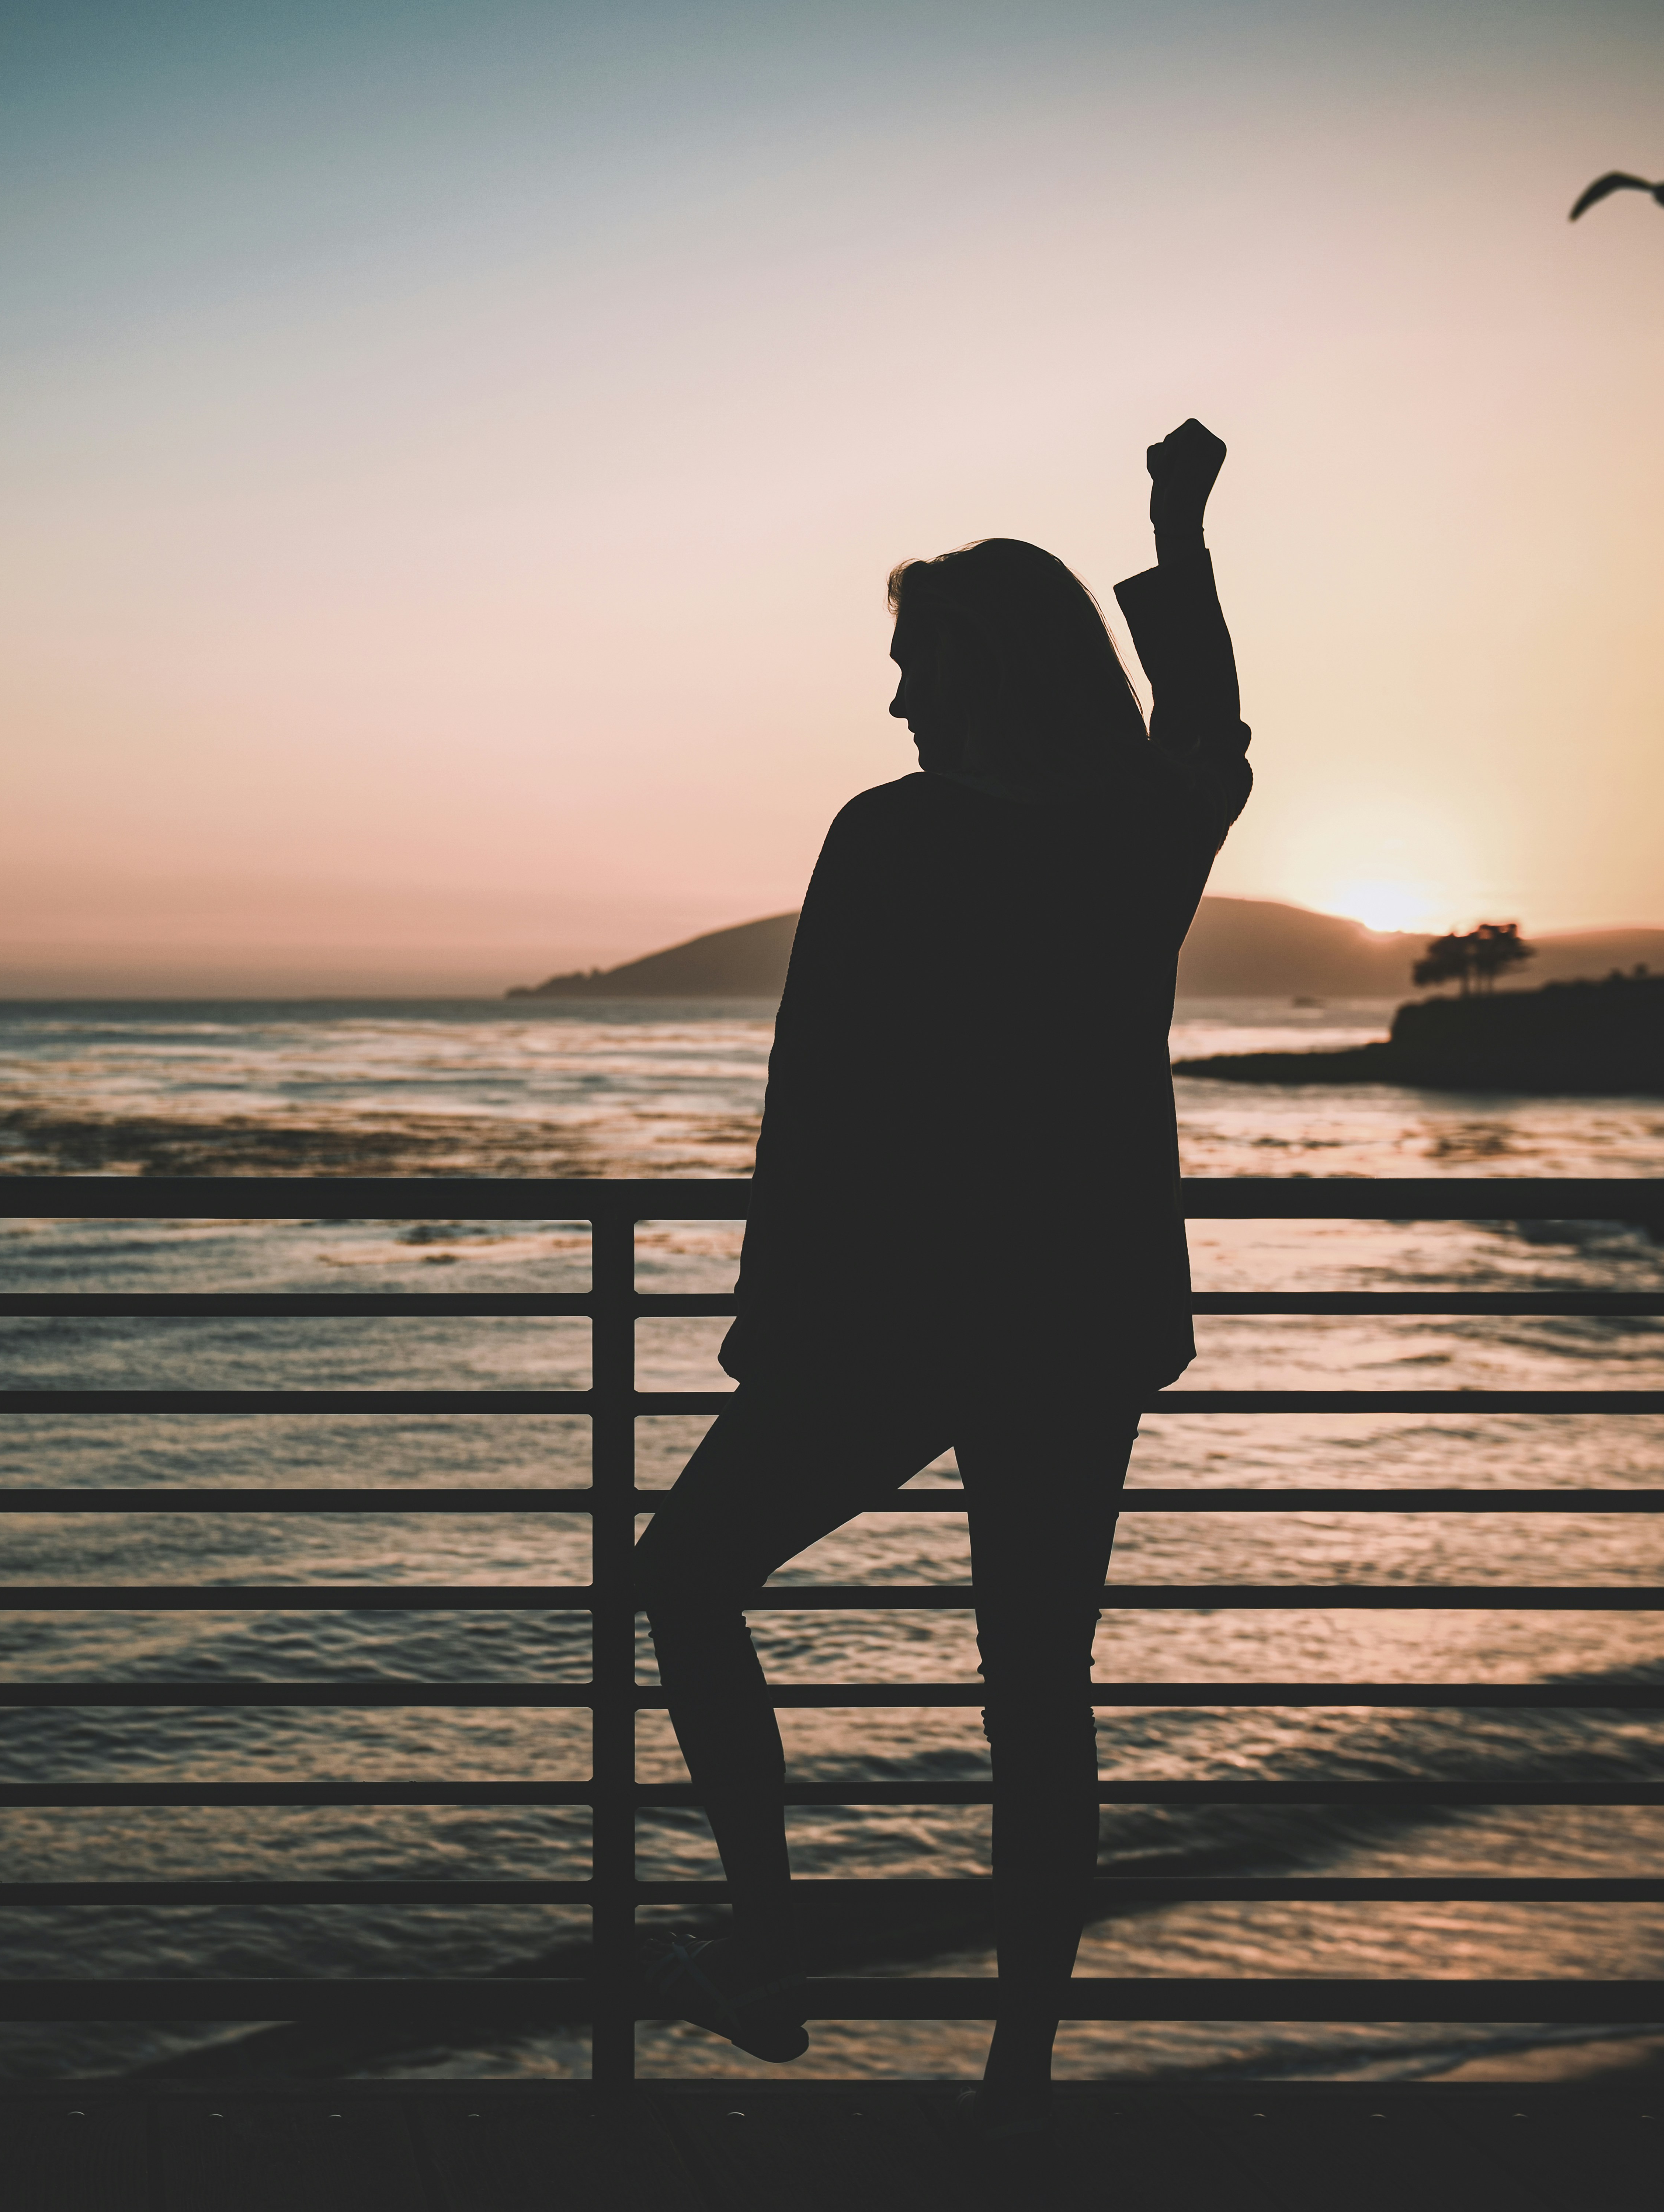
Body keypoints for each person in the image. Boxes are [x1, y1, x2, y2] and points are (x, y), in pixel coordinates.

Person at [629, 420, 1250, 2149]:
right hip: (1075, 1328)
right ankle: (1019, 2085)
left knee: (683, 1579)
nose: (896, 703)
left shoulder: (890, 840)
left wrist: (775, 1333)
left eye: (912, 666)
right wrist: (1176, 536)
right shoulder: (1140, 837)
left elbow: (814, 1110)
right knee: (1039, 1700)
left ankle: (771, 1952)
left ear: (980, 671)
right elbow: (1208, 730)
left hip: (896, 1328)